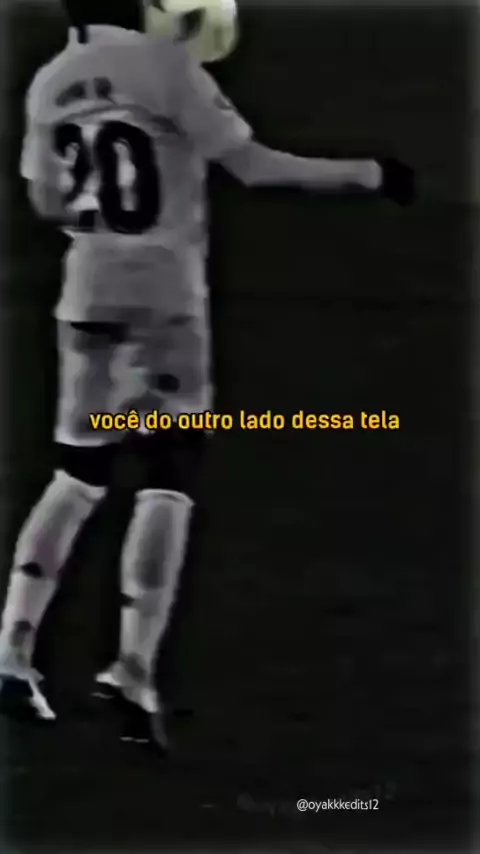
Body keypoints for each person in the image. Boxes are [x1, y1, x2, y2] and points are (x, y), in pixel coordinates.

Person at [0, 0, 415, 753]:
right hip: (163, 298)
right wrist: (369, 173)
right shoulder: (165, 65)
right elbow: (253, 166)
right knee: (169, 472)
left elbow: (45, 200)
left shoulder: (52, 78)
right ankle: (132, 669)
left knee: (78, 474)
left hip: (85, 293)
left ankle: (13, 652)